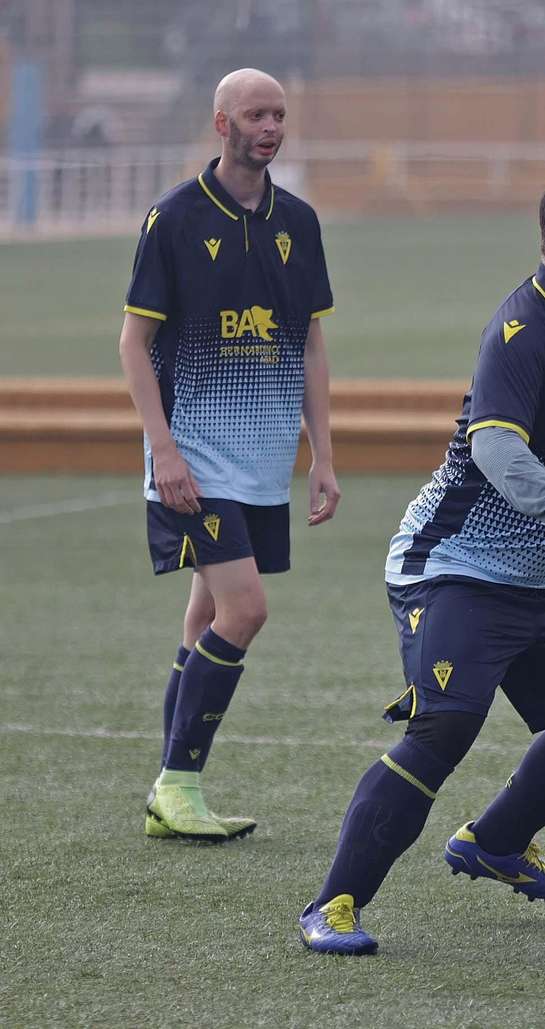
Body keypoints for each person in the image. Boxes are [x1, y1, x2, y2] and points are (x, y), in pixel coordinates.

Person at [299, 168, 545, 956]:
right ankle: (332, 904)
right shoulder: (521, 330)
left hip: (542, 581)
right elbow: (494, 447)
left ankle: (495, 841)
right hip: (453, 567)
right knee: (446, 725)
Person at [120, 69, 340, 842]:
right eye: (255, 114)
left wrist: (322, 454)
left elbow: (310, 344)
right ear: (222, 124)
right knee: (246, 609)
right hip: (193, 460)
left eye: (278, 113)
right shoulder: (175, 218)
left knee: (205, 617)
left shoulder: (299, 221)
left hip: (265, 461)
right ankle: (177, 785)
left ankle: (170, 795)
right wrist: (164, 451)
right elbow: (134, 344)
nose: (270, 126)